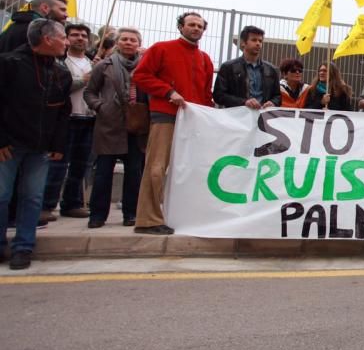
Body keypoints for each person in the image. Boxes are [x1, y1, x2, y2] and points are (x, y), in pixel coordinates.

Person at [132, 12, 215, 235]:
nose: (196, 28)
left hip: (192, 121)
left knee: (187, 170)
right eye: (191, 24)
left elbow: (206, 94)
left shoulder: (205, 59)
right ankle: (147, 219)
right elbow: (140, 76)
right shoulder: (160, 49)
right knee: (157, 168)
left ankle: (179, 215)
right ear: (181, 27)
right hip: (165, 115)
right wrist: (169, 92)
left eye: (199, 26)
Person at [0, 19, 71, 269]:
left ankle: (23, 247)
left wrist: (58, 145)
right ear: (48, 39)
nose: (67, 41)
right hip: (8, 147)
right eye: (63, 37)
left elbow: (63, 112)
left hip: (41, 149)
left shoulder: (61, 73)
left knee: (32, 198)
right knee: (2, 195)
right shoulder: (9, 64)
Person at [83, 27, 148, 229]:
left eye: (133, 40)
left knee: (134, 172)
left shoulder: (147, 67)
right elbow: (89, 93)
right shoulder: (104, 65)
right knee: (103, 172)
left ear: (139, 44)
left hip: (137, 126)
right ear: (118, 42)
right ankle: (97, 215)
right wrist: (100, 107)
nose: (129, 43)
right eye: (125, 39)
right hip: (109, 126)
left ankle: (131, 213)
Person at [40, 22, 95, 221]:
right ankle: (46, 205)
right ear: (67, 38)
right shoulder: (59, 62)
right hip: (66, 120)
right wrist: (83, 80)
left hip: (88, 119)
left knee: (81, 165)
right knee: (58, 164)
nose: (80, 38)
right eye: (74, 35)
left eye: (83, 35)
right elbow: (58, 88)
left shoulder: (93, 63)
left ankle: (72, 203)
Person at [213, 25, 281, 109]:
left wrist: (273, 102)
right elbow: (218, 95)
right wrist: (244, 102)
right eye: (254, 40)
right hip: (237, 117)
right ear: (243, 43)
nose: (258, 43)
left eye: (260, 41)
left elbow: (278, 96)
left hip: (262, 117)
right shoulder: (228, 67)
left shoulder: (271, 70)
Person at [0, 0, 68, 53]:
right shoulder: (37, 32)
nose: (66, 15)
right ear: (45, 8)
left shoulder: (13, 27)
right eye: (62, 10)